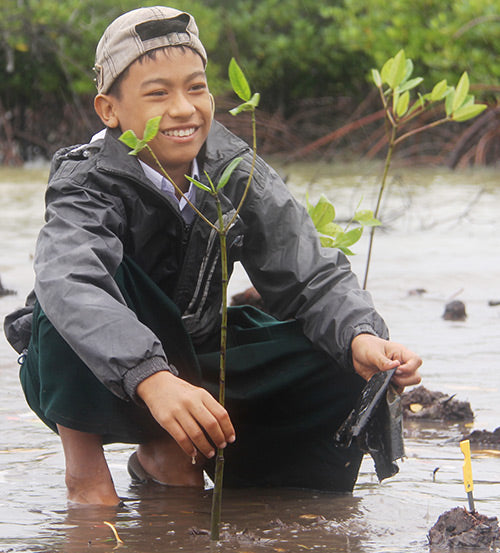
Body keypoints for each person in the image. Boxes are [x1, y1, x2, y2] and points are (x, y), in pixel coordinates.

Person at [4, 6, 421, 506]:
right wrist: (153, 379)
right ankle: (86, 475)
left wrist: (362, 336)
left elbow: (310, 276)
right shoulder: (86, 183)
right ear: (109, 111)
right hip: (86, 374)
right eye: (158, 93)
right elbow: (70, 283)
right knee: (71, 292)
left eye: (196, 88)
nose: (184, 109)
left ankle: (200, 469)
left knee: (338, 360)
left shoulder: (234, 170)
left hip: (191, 359)